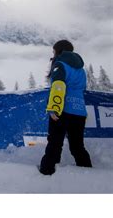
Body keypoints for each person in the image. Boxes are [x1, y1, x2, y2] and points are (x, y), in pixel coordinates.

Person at [39, 39, 92, 175]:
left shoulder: (60, 64)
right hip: (79, 111)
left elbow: (58, 86)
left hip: (62, 109)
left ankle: (47, 173)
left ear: (59, 50)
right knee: (77, 146)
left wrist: (54, 108)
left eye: (54, 51)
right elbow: (82, 88)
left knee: (55, 143)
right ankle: (88, 174)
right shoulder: (81, 70)